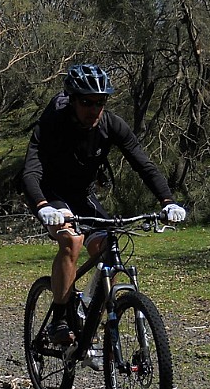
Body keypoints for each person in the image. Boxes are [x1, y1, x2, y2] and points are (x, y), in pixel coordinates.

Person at [21, 63, 186, 344]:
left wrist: (168, 201)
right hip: (50, 193)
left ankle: (87, 306)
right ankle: (59, 319)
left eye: (101, 102)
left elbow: (143, 165)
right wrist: (42, 206)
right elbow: (30, 171)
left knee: (106, 247)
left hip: (81, 193)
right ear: (72, 99)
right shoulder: (52, 124)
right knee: (72, 241)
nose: (94, 109)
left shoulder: (111, 124)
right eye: (86, 102)